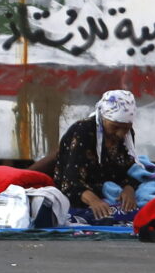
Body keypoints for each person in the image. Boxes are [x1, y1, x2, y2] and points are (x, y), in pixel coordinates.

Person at [54, 89, 141, 220]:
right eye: (115, 127)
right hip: (83, 194)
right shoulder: (82, 132)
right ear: (102, 118)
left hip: (109, 191)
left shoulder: (127, 135)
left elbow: (129, 170)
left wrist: (129, 190)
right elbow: (70, 182)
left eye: (126, 128)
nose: (121, 134)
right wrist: (94, 201)